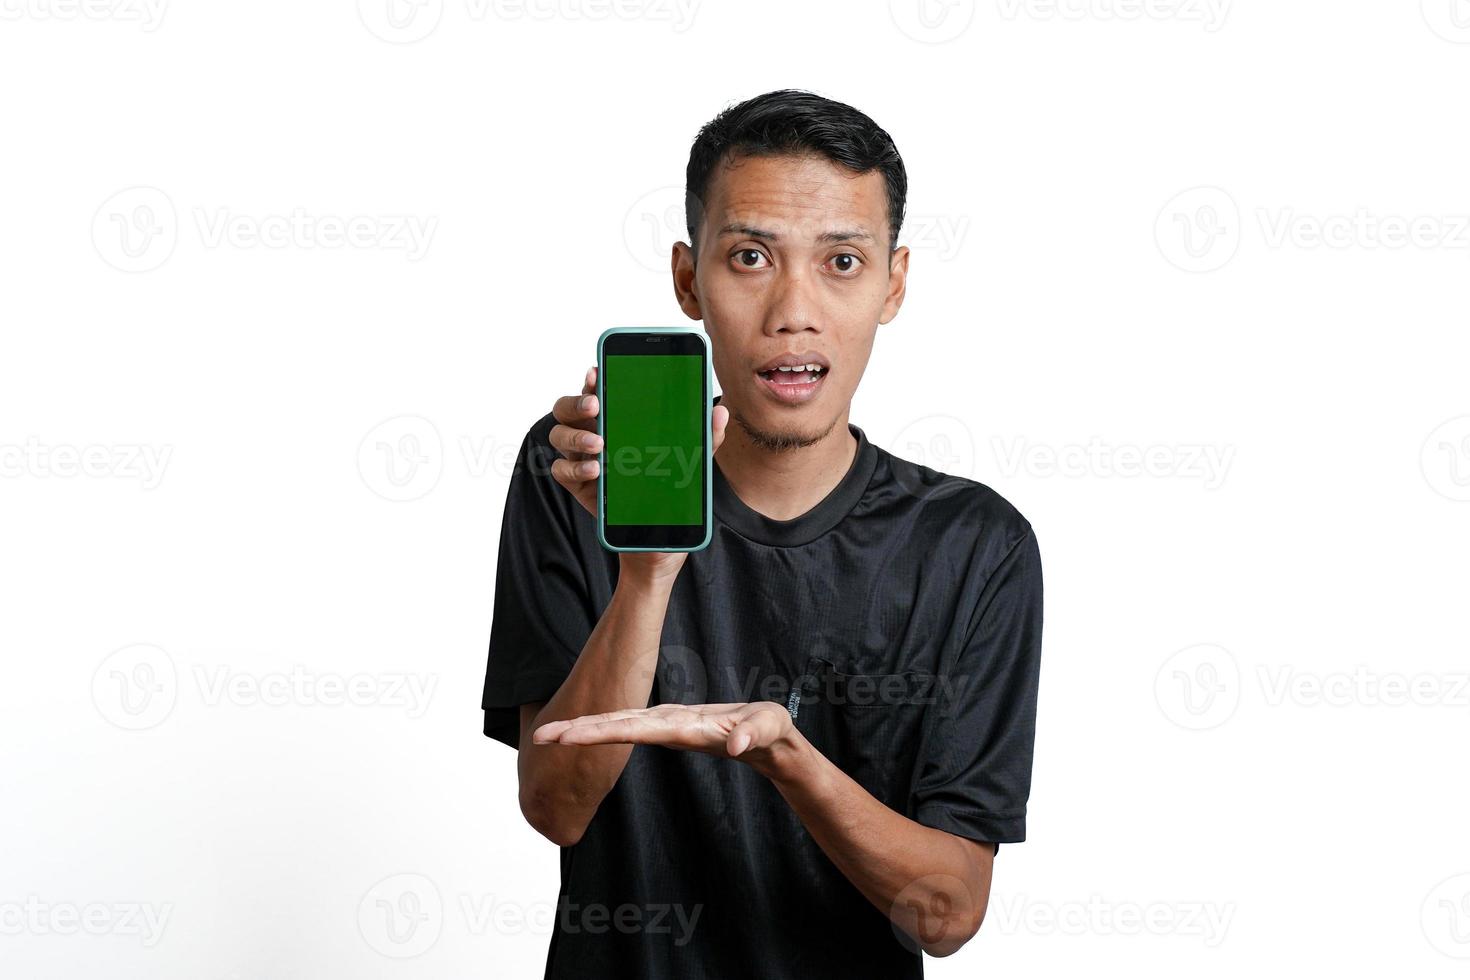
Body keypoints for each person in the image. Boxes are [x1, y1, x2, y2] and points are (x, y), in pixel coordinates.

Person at [481, 88, 1043, 979]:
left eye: (842, 262)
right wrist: (647, 578)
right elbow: (555, 806)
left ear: (894, 284)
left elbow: (948, 910)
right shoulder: (581, 477)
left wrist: (789, 758)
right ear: (687, 279)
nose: (794, 309)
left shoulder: (974, 546)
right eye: (749, 256)